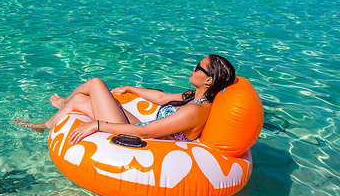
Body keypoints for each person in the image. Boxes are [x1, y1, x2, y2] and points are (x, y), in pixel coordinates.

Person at [13, 55, 236, 145]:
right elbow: (161, 97)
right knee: (81, 99)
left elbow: (146, 133)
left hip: (144, 139)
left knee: (96, 84)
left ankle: (53, 114)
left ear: (209, 81)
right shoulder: (192, 97)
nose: (193, 68)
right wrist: (132, 88)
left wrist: (97, 125)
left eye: (199, 68)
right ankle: (45, 125)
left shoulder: (195, 111)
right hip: (141, 126)